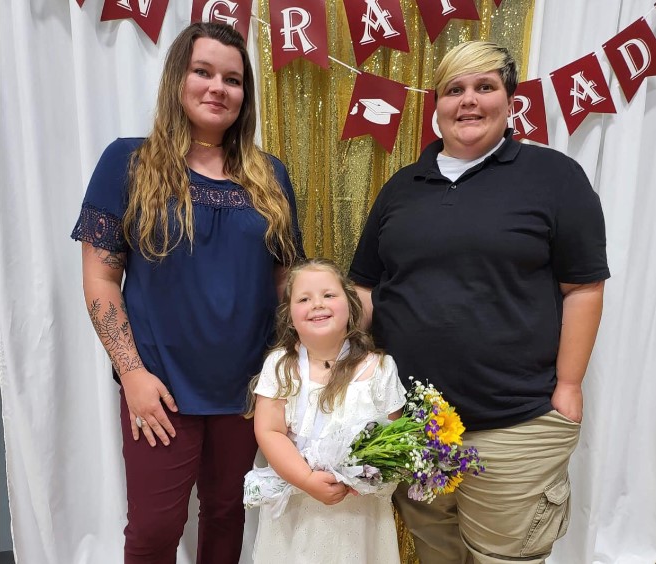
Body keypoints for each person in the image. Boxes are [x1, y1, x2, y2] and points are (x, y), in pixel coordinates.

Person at [349, 40, 610, 564]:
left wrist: (568, 386)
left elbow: (583, 286)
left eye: (484, 87)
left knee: (504, 558)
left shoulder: (554, 177)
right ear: (437, 106)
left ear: (510, 102)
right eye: (454, 89)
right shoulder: (401, 188)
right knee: (436, 553)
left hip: (516, 424)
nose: (468, 101)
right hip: (415, 427)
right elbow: (365, 288)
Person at [70, 22, 304, 563]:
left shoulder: (270, 177)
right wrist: (131, 374)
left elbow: (283, 280)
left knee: (225, 517)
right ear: (178, 78)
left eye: (233, 79)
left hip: (248, 392)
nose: (218, 88)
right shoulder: (129, 162)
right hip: (160, 388)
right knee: (155, 529)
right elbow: (102, 280)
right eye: (203, 72)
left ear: (245, 95)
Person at [251, 258, 407, 564]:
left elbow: (394, 441)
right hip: (297, 513)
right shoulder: (280, 366)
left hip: (359, 515)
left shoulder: (381, 369)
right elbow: (268, 431)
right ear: (289, 314)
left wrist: (363, 479)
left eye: (328, 295)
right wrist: (307, 479)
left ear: (350, 305)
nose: (317, 305)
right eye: (304, 299)